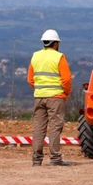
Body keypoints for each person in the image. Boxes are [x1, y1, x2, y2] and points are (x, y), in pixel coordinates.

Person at [28, 29, 73, 166]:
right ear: (56, 43)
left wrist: (40, 90)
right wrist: (65, 93)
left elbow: (30, 79)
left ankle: (36, 160)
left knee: (39, 128)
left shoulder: (35, 56)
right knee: (55, 127)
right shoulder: (59, 57)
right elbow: (66, 80)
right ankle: (55, 158)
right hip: (56, 98)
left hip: (39, 97)